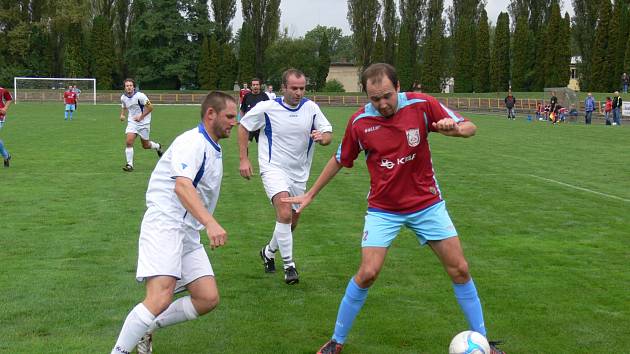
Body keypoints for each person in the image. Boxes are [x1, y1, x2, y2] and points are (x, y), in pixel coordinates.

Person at [282, 63, 504, 354]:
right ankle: (336, 342)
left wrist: (455, 131)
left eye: (387, 95)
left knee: (460, 269)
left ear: (398, 87)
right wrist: (310, 193)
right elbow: (339, 158)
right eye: (375, 99)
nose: (383, 104)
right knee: (368, 273)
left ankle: (483, 342)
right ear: (367, 96)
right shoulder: (359, 122)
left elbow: (470, 127)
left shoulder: (422, 105)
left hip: (427, 204)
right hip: (383, 209)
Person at [110, 91, 238, 354]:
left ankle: (147, 327)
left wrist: (201, 224)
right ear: (210, 114)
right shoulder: (192, 142)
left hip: (187, 232)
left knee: (207, 297)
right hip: (165, 225)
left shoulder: (213, 146)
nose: (234, 122)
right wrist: (210, 223)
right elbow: (182, 186)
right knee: (160, 296)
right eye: (229, 116)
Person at [238, 68, 333, 285]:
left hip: (299, 173)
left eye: (302, 88)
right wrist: (244, 159)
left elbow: (327, 133)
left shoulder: (311, 108)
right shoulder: (268, 108)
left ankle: (269, 252)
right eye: (294, 88)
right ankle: (289, 266)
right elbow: (243, 126)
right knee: (283, 210)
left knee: (291, 220)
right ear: (284, 88)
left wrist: (322, 138)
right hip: (273, 168)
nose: (298, 92)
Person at [119, 78, 163, 172]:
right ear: (124, 87)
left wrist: (141, 117)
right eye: (127, 86)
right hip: (132, 122)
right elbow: (124, 105)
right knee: (129, 142)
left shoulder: (141, 96)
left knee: (145, 145)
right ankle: (129, 165)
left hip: (144, 123)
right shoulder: (123, 97)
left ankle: (157, 146)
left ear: (134, 87)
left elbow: (150, 107)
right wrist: (122, 114)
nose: (129, 87)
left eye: (131, 85)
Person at [240, 78, 269, 143]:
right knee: (245, 145)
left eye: (257, 84)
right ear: (251, 86)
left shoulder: (264, 96)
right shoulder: (247, 96)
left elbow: (270, 111)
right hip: (249, 126)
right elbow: (242, 110)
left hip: (261, 127)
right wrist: (242, 122)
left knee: (262, 146)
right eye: (254, 85)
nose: (255, 86)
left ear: (260, 86)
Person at [0, 86, 13, 167]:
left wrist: (5, 108)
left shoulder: (2, 90)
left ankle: (6, 156)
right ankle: (6, 156)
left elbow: (9, 98)